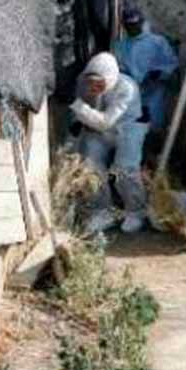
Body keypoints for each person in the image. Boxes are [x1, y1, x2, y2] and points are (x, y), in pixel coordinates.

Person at [71, 52, 150, 234]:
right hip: (100, 128)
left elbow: (105, 120)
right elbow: (81, 109)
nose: (94, 87)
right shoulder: (84, 84)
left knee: (123, 169)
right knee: (90, 165)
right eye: (90, 82)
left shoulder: (127, 87)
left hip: (128, 128)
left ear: (110, 78)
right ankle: (102, 211)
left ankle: (136, 212)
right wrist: (77, 119)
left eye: (99, 83)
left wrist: (79, 109)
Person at [115, 7, 178, 133]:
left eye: (135, 25)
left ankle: (155, 147)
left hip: (155, 92)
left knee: (153, 125)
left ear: (141, 23)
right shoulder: (121, 46)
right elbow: (119, 68)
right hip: (131, 93)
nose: (132, 28)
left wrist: (158, 73)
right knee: (131, 129)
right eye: (129, 26)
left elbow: (172, 65)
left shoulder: (157, 42)